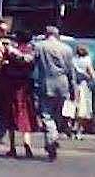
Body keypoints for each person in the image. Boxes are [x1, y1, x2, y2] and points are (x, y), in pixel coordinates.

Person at [33, 26, 77, 161]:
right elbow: (71, 70)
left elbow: (33, 63)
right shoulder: (67, 49)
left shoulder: (39, 47)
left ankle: (51, 139)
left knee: (46, 114)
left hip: (46, 83)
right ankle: (54, 137)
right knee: (58, 113)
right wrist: (73, 87)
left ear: (46, 34)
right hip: (62, 83)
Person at [2, 30, 40, 158]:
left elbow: (4, 66)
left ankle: (12, 147)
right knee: (26, 114)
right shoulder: (32, 53)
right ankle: (27, 143)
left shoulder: (11, 52)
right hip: (26, 87)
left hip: (11, 86)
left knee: (11, 114)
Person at [72, 45, 95, 139]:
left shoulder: (73, 60)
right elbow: (92, 75)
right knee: (82, 109)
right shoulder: (87, 60)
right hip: (83, 85)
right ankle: (78, 131)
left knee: (72, 107)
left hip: (74, 85)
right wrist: (91, 78)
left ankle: (69, 128)